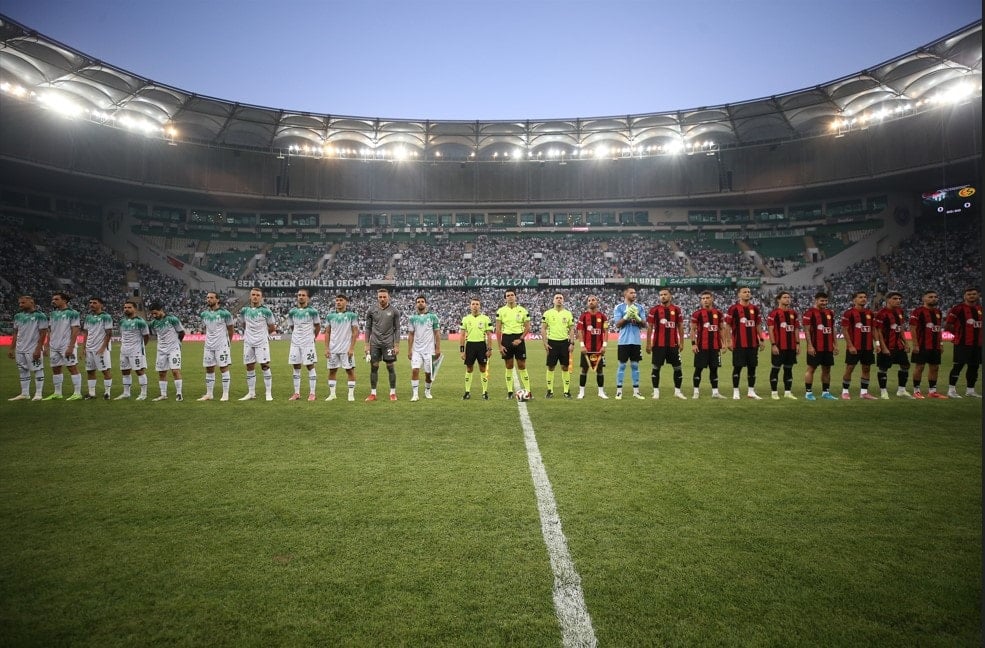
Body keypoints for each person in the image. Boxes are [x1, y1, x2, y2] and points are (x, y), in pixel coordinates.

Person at [646, 288, 687, 400]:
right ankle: (656, 392)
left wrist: (682, 342)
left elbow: (680, 326)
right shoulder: (654, 310)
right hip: (658, 345)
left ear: (670, 296)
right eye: (661, 295)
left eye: (665, 294)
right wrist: (648, 344)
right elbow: (650, 327)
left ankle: (677, 392)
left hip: (673, 344)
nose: (663, 296)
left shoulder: (676, 310)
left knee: (677, 367)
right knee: (656, 367)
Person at [238, 286, 276, 401]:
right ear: (250, 296)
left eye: (258, 295)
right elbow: (243, 324)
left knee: (265, 366)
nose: (255, 297)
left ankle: (268, 393)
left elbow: (272, 327)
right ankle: (251, 393)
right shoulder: (244, 310)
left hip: (261, 342)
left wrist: (262, 334)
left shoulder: (266, 311)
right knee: (249, 366)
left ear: (261, 297)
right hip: (248, 342)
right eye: (253, 295)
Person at [944, 287, 983, 398]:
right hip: (962, 343)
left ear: (978, 295)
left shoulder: (980, 309)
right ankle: (951, 390)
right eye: (969, 294)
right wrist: (959, 334)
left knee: (974, 367)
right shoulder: (958, 309)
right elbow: (948, 325)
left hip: (978, 345)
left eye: (974, 294)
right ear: (964, 296)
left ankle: (970, 391)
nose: (972, 296)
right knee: (958, 366)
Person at [726, 286, 763, 400]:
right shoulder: (733, 309)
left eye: (749, 292)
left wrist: (761, 339)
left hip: (753, 344)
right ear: (739, 294)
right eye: (744, 292)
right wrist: (729, 341)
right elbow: (728, 326)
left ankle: (751, 392)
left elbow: (758, 325)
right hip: (739, 344)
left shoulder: (755, 309)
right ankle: (736, 392)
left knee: (752, 368)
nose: (747, 293)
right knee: (737, 367)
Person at [7, 295, 48, 401]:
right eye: (19, 303)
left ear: (31, 302)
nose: (20, 305)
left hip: (33, 348)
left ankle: (38, 394)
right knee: (22, 370)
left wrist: (39, 348)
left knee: (38, 369)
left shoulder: (40, 315)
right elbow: (16, 333)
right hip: (20, 348)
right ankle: (25, 393)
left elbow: (43, 333)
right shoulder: (18, 316)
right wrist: (12, 348)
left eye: (23, 302)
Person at [689, 291, 729, 399]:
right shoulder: (697, 314)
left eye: (707, 298)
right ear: (701, 301)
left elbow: (721, 329)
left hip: (715, 347)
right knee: (698, 369)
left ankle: (715, 392)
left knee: (714, 369)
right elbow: (692, 330)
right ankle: (696, 392)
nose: (705, 300)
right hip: (701, 347)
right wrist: (693, 344)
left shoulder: (718, 313)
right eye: (703, 298)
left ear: (712, 299)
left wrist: (724, 343)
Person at [873, 291, 913, 399]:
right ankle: (883, 392)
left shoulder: (900, 311)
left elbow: (901, 328)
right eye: (895, 298)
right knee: (883, 368)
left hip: (898, 345)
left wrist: (906, 343)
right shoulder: (881, 313)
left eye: (899, 299)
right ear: (888, 300)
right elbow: (878, 331)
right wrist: (882, 347)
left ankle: (901, 390)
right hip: (887, 345)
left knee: (905, 365)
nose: (898, 301)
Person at [44, 291, 82, 400]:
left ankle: (77, 393)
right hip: (54, 346)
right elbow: (50, 330)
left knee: (72, 367)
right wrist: (47, 345)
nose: (53, 301)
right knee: (55, 368)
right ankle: (57, 393)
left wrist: (71, 346)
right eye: (53, 299)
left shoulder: (73, 313)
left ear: (64, 300)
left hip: (66, 345)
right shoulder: (53, 314)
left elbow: (75, 330)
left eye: (56, 299)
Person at [908, 290, 947, 399]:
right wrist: (915, 345)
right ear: (924, 298)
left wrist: (941, 343)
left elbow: (938, 329)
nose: (933, 299)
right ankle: (916, 391)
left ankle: (932, 392)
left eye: (935, 297)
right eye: (930, 297)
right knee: (919, 367)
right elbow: (912, 328)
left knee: (935, 367)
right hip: (922, 345)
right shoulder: (918, 311)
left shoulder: (938, 312)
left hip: (935, 345)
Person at [364, 287, 400, 401]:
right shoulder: (371, 310)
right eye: (380, 297)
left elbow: (397, 329)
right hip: (375, 343)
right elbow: (368, 328)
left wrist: (396, 345)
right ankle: (373, 394)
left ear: (388, 297)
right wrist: (366, 344)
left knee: (390, 367)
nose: (382, 299)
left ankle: (392, 393)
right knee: (374, 367)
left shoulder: (394, 311)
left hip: (388, 344)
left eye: (384, 297)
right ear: (377, 297)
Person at [801, 291, 838, 400]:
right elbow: (807, 330)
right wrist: (810, 346)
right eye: (822, 300)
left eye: (826, 301)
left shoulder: (830, 313)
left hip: (828, 347)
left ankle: (825, 392)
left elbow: (833, 329)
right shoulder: (809, 313)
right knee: (811, 369)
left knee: (827, 369)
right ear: (816, 300)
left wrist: (835, 344)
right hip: (815, 347)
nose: (824, 303)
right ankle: (808, 393)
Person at [611, 284, 647, 399]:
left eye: (635, 293)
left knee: (635, 365)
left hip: (636, 341)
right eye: (631, 293)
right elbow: (617, 324)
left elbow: (644, 324)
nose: (634, 295)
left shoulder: (640, 308)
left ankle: (636, 391)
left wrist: (637, 316)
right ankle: (619, 391)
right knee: (622, 365)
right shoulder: (619, 308)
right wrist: (627, 316)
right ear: (625, 294)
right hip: (623, 341)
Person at [840, 291, 877, 400]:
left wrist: (877, 343)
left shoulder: (870, 313)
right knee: (850, 368)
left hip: (868, 347)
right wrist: (850, 346)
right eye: (860, 297)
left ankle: (864, 393)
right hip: (854, 347)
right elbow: (845, 330)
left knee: (866, 368)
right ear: (854, 300)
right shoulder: (848, 313)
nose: (863, 299)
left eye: (865, 297)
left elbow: (873, 329)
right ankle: (845, 392)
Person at [198, 291, 234, 401]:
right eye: (207, 297)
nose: (209, 299)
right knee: (209, 369)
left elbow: (231, 329)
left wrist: (228, 343)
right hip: (208, 346)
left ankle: (225, 394)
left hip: (221, 345)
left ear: (217, 300)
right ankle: (209, 394)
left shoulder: (225, 313)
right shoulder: (204, 314)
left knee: (223, 368)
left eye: (211, 297)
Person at [496, 289, 532, 398]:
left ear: (515, 297)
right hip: (506, 339)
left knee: (522, 365)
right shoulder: (501, 311)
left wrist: (520, 339)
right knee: (509, 365)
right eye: (508, 295)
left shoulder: (523, 310)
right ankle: (510, 392)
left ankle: (528, 391)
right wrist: (500, 345)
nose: (510, 297)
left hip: (519, 337)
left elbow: (527, 327)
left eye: (512, 295)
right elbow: (498, 329)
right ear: (505, 298)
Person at [287, 287, 321, 401]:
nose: (301, 297)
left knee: (310, 366)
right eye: (299, 295)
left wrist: (313, 337)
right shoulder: (292, 312)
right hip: (295, 343)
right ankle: (296, 393)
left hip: (308, 343)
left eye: (303, 295)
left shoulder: (313, 311)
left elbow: (317, 326)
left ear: (308, 298)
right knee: (296, 366)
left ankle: (312, 393)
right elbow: (292, 326)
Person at [323, 293, 359, 402]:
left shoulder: (352, 315)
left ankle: (351, 394)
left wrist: (351, 348)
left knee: (350, 371)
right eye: (337, 300)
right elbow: (327, 333)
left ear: (346, 302)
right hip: (333, 348)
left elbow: (355, 332)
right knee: (332, 370)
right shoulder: (330, 316)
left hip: (346, 349)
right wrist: (326, 348)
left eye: (341, 300)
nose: (338, 302)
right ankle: (332, 394)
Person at [147, 301, 185, 401]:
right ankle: (163, 395)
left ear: (161, 310)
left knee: (175, 371)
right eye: (152, 314)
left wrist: (178, 343)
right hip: (161, 350)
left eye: (155, 313)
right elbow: (155, 334)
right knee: (161, 372)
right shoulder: (153, 323)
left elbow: (181, 332)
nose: (154, 315)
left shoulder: (172, 319)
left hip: (173, 349)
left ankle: (179, 394)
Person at [407, 294, 441, 401]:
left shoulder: (433, 317)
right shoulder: (412, 318)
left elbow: (437, 333)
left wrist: (438, 348)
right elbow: (411, 335)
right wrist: (409, 350)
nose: (420, 303)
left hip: (429, 350)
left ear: (425, 303)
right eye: (418, 302)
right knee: (415, 370)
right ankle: (415, 394)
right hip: (416, 350)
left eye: (422, 301)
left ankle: (427, 391)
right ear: (416, 304)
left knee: (428, 374)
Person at [541, 293, 575, 398]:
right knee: (551, 366)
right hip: (552, 343)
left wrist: (572, 343)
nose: (559, 299)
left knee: (565, 367)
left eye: (561, 298)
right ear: (553, 300)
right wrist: (545, 343)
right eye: (557, 298)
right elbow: (543, 328)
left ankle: (566, 391)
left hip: (564, 343)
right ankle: (550, 391)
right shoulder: (547, 313)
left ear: (563, 300)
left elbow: (571, 329)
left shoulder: (568, 313)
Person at [766, 291, 799, 400]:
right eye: (784, 297)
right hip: (779, 346)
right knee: (775, 369)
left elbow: (796, 329)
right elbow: (770, 330)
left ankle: (788, 392)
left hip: (791, 347)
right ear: (778, 300)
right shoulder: (774, 313)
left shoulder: (793, 313)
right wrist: (773, 345)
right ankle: (774, 393)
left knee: (788, 369)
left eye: (788, 297)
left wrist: (797, 344)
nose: (787, 299)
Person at [575, 294, 609, 399]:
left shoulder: (602, 316)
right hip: (587, 348)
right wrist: (582, 345)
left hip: (599, 349)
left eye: (593, 300)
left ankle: (601, 392)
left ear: (597, 302)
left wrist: (604, 346)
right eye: (589, 300)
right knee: (584, 369)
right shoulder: (583, 316)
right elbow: (580, 331)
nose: (591, 302)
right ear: (587, 303)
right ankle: (581, 392)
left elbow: (606, 331)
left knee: (600, 370)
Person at [115, 300, 150, 400]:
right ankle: (126, 393)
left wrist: (141, 347)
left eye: (129, 307)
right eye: (125, 307)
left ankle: (143, 394)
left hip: (136, 350)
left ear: (135, 308)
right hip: (124, 350)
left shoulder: (140, 321)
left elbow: (146, 336)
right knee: (125, 371)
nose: (126, 309)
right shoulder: (122, 321)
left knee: (139, 371)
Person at [460, 297, 492, 400]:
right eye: (473, 304)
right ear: (470, 306)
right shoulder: (466, 319)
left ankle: (484, 392)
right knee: (469, 368)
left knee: (483, 368)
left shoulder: (485, 318)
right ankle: (467, 392)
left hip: (481, 345)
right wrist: (462, 351)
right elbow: (462, 335)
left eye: (477, 304)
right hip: (470, 345)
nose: (475, 306)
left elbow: (489, 335)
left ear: (480, 306)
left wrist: (489, 349)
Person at [82, 296, 114, 400]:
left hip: (100, 349)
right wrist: (84, 347)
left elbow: (109, 333)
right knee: (90, 371)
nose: (91, 304)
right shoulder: (88, 317)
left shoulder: (106, 317)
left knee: (105, 371)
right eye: (90, 303)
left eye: (94, 303)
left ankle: (107, 393)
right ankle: (91, 393)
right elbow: (86, 333)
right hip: (89, 348)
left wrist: (103, 348)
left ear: (101, 304)